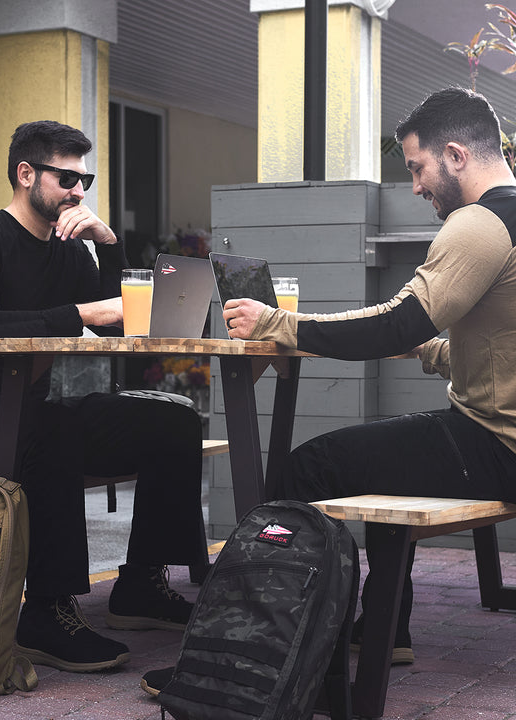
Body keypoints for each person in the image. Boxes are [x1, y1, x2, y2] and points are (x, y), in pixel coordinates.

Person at [140, 86, 516, 694]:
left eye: (418, 169)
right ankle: (385, 627)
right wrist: (434, 352)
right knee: (390, 462)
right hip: (503, 441)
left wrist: (276, 324)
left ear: (456, 155)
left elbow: (396, 319)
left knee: (307, 469)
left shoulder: (479, 224)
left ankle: (264, 657)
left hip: (496, 445)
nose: (416, 186)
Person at [0, 120, 205, 674]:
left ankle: (142, 584)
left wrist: (110, 246)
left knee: (173, 421)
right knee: (54, 428)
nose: (79, 192)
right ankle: (47, 610)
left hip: (31, 415)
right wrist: (82, 314)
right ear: (26, 175)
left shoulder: (71, 252)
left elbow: (122, 328)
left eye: (85, 178)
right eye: (67, 178)